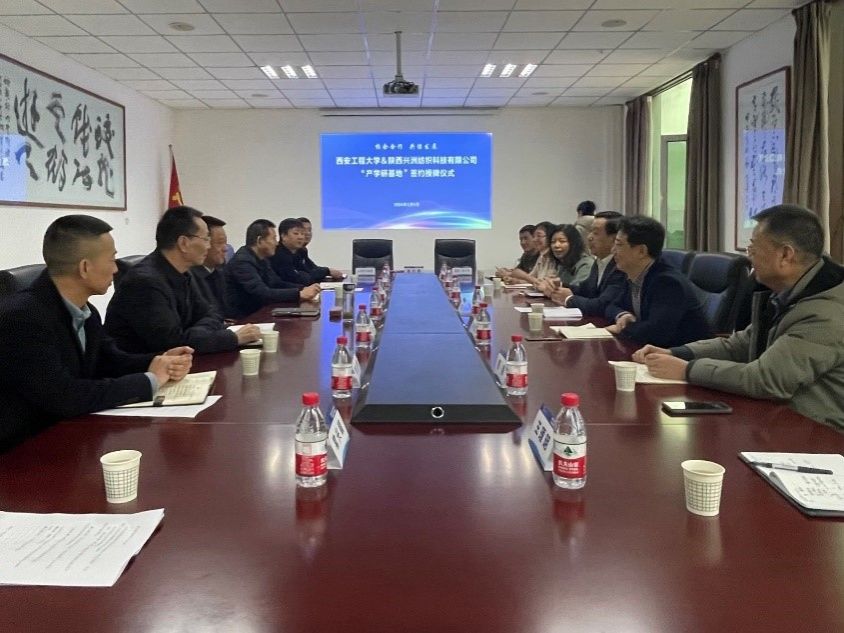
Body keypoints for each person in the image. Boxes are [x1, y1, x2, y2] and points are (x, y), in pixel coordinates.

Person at [635, 204, 844, 429]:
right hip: (776, 420)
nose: (749, 256)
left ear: (785, 255)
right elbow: (742, 344)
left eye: (753, 248)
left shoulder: (825, 313)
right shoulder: (789, 293)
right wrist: (677, 353)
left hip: (818, 436)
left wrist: (687, 370)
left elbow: (766, 380)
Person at [0, 215, 193, 451]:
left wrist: (157, 362)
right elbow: (65, 396)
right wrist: (148, 381)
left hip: (71, 436)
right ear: (85, 267)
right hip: (23, 451)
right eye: (111, 260)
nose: (116, 269)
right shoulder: (22, 318)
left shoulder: (86, 311)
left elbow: (108, 360)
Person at [106, 206, 261, 354]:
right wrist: (232, 338)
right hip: (145, 367)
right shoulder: (144, 283)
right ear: (184, 243)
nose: (208, 246)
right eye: (206, 239)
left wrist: (195, 333)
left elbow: (212, 313)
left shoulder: (184, 272)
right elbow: (173, 344)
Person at [605, 215, 712, 347]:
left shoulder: (668, 283)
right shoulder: (633, 274)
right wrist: (623, 315)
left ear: (641, 251)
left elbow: (657, 333)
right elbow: (611, 306)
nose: (613, 251)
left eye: (619, 245)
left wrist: (623, 328)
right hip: (649, 349)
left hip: (682, 355)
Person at [226, 219, 320, 319]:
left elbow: (276, 282)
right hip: (244, 318)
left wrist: (302, 289)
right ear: (260, 241)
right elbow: (262, 293)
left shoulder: (262, 258)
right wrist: (299, 294)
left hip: (262, 311)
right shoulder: (242, 262)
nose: (276, 243)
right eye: (274, 239)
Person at [548, 211, 628, 316]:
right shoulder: (599, 261)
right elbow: (585, 290)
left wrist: (568, 298)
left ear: (614, 239)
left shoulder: (620, 265)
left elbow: (602, 305)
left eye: (595, 233)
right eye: (590, 231)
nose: (589, 237)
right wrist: (559, 285)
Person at [190, 215, 228, 314]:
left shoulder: (220, 269)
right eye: (220, 243)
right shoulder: (190, 276)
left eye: (226, 243)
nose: (225, 248)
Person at [502, 221, 559, 285]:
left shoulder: (556, 258)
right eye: (534, 236)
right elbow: (532, 278)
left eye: (539, 236)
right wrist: (516, 281)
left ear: (550, 237)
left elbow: (546, 285)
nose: (534, 240)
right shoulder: (542, 257)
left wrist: (525, 277)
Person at [540, 224, 593, 289]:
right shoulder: (563, 263)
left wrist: (550, 287)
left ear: (573, 243)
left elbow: (576, 291)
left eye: (562, 241)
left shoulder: (586, 264)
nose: (556, 245)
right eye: (553, 242)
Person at [298, 217, 344, 281]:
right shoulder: (293, 251)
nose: (308, 233)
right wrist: (328, 271)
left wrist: (329, 271)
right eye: (304, 230)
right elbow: (307, 273)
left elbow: (313, 268)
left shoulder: (303, 250)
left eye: (309, 230)